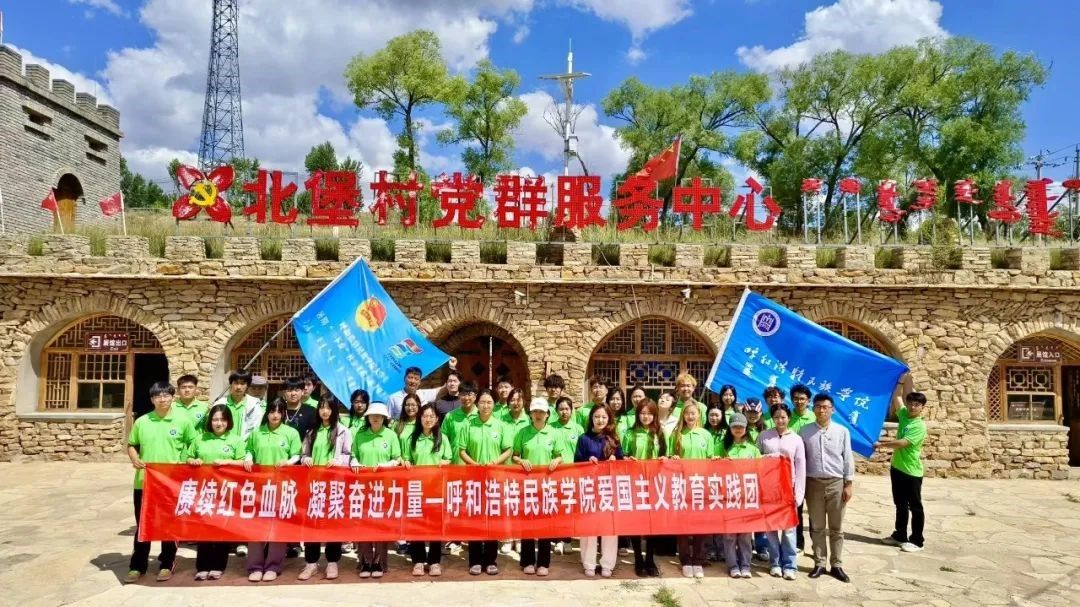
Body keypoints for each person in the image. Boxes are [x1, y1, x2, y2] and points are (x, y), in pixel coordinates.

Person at [124, 381, 197, 584]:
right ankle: (137, 566)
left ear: (173, 397)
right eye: (158, 396)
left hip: (171, 484)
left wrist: (187, 460)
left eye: (166, 395)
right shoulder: (142, 421)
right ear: (152, 399)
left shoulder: (183, 421)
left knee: (169, 525)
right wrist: (134, 458)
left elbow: (193, 443)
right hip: (145, 482)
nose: (162, 399)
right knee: (143, 525)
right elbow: (131, 445)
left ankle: (166, 564)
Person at [243, 398, 302, 582]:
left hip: (282, 486)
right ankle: (255, 566)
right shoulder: (257, 432)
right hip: (259, 487)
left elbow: (297, 455)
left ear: (284, 414)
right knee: (255, 527)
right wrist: (248, 458)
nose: (275, 415)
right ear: (267, 413)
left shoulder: (291, 433)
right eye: (272, 411)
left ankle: (273, 566)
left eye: (279, 412)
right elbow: (249, 450)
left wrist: (288, 461)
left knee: (277, 527)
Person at [456, 389, 513, 575]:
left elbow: (508, 450)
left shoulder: (500, 425)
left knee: (492, 520)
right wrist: (474, 464)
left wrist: (495, 462)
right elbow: (461, 450)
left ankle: (490, 560)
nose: (486, 406)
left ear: (494, 405)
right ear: (477, 404)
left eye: (489, 402)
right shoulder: (468, 425)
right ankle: (474, 560)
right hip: (474, 479)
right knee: (475, 519)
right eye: (482, 402)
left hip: (495, 480)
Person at [186, 404, 245, 581]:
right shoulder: (200, 439)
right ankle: (202, 566)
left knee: (221, 529)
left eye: (222, 420)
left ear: (229, 422)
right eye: (215, 419)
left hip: (225, 492)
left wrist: (228, 462)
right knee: (203, 529)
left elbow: (243, 462)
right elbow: (187, 457)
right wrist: (193, 460)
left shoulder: (236, 440)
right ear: (210, 421)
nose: (219, 423)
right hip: (204, 491)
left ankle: (218, 565)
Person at [298, 395, 353, 581]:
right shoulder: (312, 430)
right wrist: (306, 458)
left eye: (328, 407)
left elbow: (349, 454)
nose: (324, 411)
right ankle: (311, 562)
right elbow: (304, 453)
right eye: (321, 407)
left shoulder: (343, 431)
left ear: (334, 410)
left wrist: (338, 461)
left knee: (333, 523)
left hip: (334, 485)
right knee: (312, 523)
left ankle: (332, 562)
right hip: (314, 485)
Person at [800, 393, 854, 583]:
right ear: (813, 409)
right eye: (818, 406)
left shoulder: (842, 431)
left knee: (836, 527)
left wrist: (848, 483)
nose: (821, 410)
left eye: (825, 407)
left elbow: (847, 458)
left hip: (836, 483)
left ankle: (837, 564)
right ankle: (820, 563)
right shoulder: (805, 431)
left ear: (832, 410)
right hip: (813, 483)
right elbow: (801, 459)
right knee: (817, 526)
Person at [511, 399, 563, 576]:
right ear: (530, 414)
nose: (538, 415)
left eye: (541, 412)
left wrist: (556, 460)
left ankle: (543, 563)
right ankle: (527, 561)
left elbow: (559, 455)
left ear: (547, 414)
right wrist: (521, 460)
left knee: (545, 525)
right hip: (527, 485)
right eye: (535, 412)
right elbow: (515, 456)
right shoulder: (522, 432)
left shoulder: (554, 433)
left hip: (547, 485)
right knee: (527, 523)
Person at [351, 402, 402, 578]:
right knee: (364, 524)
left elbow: (397, 458)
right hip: (363, 488)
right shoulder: (360, 434)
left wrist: (386, 465)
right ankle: (365, 561)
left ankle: (379, 562)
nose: (376, 418)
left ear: (384, 418)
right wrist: (354, 462)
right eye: (373, 416)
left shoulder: (391, 435)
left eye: (379, 416)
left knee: (381, 525)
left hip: (383, 488)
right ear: (368, 417)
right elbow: (353, 455)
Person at [402, 403, 452, 576]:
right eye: (425, 416)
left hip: (436, 489)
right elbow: (406, 458)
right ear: (420, 418)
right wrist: (406, 462)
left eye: (431, 416)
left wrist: (444, 462)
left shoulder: (442, 438)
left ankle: (434, 561)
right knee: (417, 525)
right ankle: (418, 560)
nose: (428, 419)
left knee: (435, 526)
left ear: (437, 419)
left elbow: (449, 458)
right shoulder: (412, 438)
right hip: (417, 489)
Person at [758, 403, 806, 581]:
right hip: (768, 488)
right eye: (776, 417)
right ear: (772, 418)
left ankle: (790, 565)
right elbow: (755, 459)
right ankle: (775, 563)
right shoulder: (764, 436)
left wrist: (799, 493)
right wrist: (769, 457)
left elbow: (801, 467)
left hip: (788, 489)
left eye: (783, 417)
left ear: (789, 418)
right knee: (771, 528)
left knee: (789, 529)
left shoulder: (796, 439)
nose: (780, 420)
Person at [574, 405, 623, 578]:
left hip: (609, 488)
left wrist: (615, 459)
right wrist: (588, 460)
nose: (600, 420)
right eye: (596, 417)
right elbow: (576, 462)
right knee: (589, 527)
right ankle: (589, 563)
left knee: (609, 527)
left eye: (603, 417)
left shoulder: (614, 439)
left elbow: (622, 462)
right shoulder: (583, 438)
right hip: (589, 487)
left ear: (609, 419)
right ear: (591, 419)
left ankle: (607, 564)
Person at [876, 391, 928, 553]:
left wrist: (882, 445)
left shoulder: (919, 426)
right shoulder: (905, 414)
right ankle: (900, 535)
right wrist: (899, 379)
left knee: (915, 506)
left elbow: (903, 443)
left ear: (922, 407)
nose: (912, 407)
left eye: (917, 405)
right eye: (910, 403)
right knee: (900, 504)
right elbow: (897, 397)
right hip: (897, 467)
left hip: (911, 471)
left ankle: (917, 541)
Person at [668, 401, 715, 579]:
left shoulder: (706, 435)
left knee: (700, 525)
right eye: (687, 413)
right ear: (683, 415)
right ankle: (686, 560)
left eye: (693, 413)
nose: (690, 416)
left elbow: (710, 459)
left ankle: (698, 559)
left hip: (701, 485)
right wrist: (673, 458)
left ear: (699, 415)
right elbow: (671, 457)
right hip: (682, 484)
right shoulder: (676, 434)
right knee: (683, 525)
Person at [622, 398, 665, 577]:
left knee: (652, 522)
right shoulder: (630, 433)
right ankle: (638, 558)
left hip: (654, 483)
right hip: (635, 482)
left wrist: (665, 460)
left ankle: (650, 559)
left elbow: (665, 455)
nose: (646, 417)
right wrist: (627, 459)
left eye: (649, 413)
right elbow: (623, 456)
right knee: (636, 521)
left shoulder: (660, 433)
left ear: (654, 415)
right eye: (642, 413)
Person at [721, 413, 761, 579]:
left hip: (747, 497)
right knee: (729, 535)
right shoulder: (723, 447)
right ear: (730, 428)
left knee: (745, 534)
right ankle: (732, 565)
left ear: (746, 429)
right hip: (729, 496)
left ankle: (745, 565)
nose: (738, 429)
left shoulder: (753, 449)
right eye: (734, 426)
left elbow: (760, 471)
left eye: (741, 427)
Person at [497, 387, 529, 555]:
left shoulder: (529, 420)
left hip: (523, 470)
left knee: (522, 506)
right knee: (506, 505)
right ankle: (506, 538)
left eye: (519, 399)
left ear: (524, 401)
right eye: (512, 400)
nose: (516, 403)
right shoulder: (500, 420)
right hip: (504, 469)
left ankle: (520, 538)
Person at [787, 383, 815, 550]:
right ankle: (798, 543)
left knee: (814, 510)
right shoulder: (787, 417)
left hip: (811, 470)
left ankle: (816, 545)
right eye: (796, 398)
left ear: (808, 400)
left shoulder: (814, 417)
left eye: (802, 398)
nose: (799, 401)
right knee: (796, 507)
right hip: (792, 471)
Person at [387, 358, 457, 420]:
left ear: (419, 382)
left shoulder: (423, 394)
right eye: (410, 377)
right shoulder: (393, 398)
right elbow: (388, 419)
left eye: (416, 379)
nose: (413, 381)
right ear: (404, 378)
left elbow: (445, 389)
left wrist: (452, 368)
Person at [703, 403, 729, 562]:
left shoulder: (728, 432)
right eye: (711, 415)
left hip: (723, 477)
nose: (714, 418)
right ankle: (710, 548)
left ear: (722, 416)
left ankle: (722, 548)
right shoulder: (703, 432)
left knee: (721, 514)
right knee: (708, 514)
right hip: (705, 477)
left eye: (717, 415)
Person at [215, 370, 264, 442]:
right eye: (236, 383)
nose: (238, 387)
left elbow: (254, 428)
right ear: (231, 384)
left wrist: (240, 443)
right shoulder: (220, 403)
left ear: (247, 386)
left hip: (245, 445)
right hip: (222, 444)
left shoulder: (254, 405)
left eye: (242, 383)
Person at [443, 381, 479, 463]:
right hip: (455, 463)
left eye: (469, 394)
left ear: (475, 396)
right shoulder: (450, 416)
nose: (466, 398)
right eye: (463, 394)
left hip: (476, 464)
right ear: (459, 396)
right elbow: (443, 439)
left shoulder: (481, 416)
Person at [282, 376, 319, 444]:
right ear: (284, 392)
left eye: (297, 390)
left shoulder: (311, 411)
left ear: (302, 391)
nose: (293, 393)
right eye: (289, 390)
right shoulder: (278, 410)